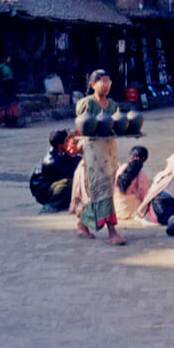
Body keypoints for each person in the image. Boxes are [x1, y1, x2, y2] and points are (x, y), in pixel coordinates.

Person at [74, 69, 125, 244]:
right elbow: (81, 126)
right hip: (93, 150)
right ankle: (112, 231)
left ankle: (83, 224)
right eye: (102, 82)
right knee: (102, 189)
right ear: (92, 84)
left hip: (109, 149)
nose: (106, 85)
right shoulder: (86, 103)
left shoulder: (113, 105)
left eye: (108, 82)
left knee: (106, 189)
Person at [29, 129, 81, 211]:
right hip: (41, 190)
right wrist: (74, 156)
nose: (68, 144)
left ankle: (62, 202)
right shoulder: (51, 161)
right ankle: (51, 205)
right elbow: (68, 173)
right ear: (60, 145)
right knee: (68, 182)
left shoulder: (58, 153)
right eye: (66, 141)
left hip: (50, 185)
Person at [113, 145, 149, 221]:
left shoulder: (121, 168)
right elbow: (144, 195)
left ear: (130, 157)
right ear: (144, 159)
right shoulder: (141, 174)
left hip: (117, 209)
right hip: (129, 212)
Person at [0, 54, 18, 126]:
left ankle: (12, 119)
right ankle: (4, 119)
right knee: (5, 103)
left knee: (12, 102)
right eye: (8, 59)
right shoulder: (1, 66)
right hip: (4, 86)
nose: (9, 60)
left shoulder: (10, 67)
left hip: (10, 86)